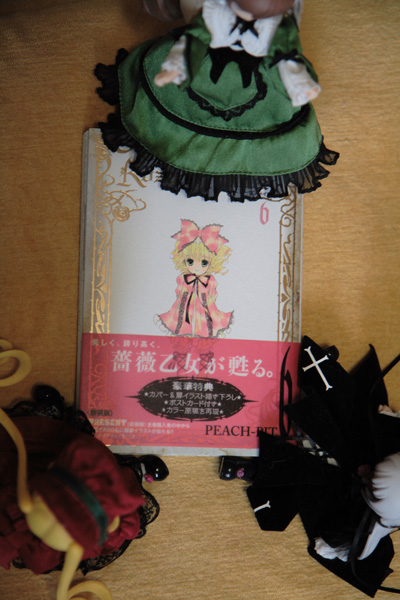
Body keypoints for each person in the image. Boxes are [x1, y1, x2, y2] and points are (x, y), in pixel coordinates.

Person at [95, 0, 339, 202]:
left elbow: (285, 55)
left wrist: (299, 83)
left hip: (259, 73)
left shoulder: (274, 28)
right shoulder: (211, 16)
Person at [155, 219, 233, 336]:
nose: (196, 268)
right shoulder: (183, 278)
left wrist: (207, 301)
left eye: (204, 263)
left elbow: (213, 294)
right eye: (190, 261)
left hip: (205, 305)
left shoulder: (210, 280)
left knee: (207, 321)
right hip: (184, 304)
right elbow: (178, 291)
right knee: (180, 320)